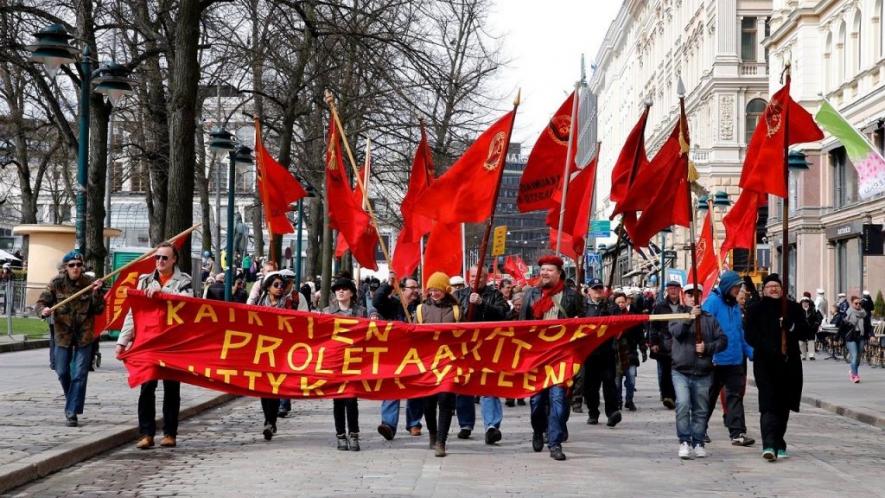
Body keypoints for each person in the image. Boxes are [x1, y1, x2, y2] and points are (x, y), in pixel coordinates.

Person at [116, 243, 193, 448]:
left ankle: (170, 433)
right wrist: (122, 341)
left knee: (171, 389)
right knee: (147, 386)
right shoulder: (144, 281)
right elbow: (134, 313)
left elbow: (187, 304)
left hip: (171, 344)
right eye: (157, 258)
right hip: (148, 342)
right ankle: (147, 433)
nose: (160, 261)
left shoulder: (184, 281)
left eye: (164, 258)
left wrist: (163, 292)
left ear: (174, 260)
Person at [522, 255, 584, 461]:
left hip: (562, 357)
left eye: (549, 270)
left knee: (558, 400)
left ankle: (555, 443)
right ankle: (538, 430)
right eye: (542, 270)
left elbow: (585, 324)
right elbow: (520, 327)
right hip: (537, 358)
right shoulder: (531, 295)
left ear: (559, 273)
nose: (544, 273)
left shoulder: (572, 296)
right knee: (537, 402)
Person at [744, 274, 809, 462]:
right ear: (764, 290)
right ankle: (768, 445)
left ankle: (779, 441)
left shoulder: (793, 308)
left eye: (776, 286)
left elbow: (806, 332)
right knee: (768, 404)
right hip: (765, 364)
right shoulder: (755, 309)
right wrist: (767, 347)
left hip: (789, 364)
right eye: (769, 286)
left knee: (784, 405)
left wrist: (791, 327)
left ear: (782, 289)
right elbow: (750, 335)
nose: (773, 289)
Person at [35, 251, 104, 427]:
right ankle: (71, 400)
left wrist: (97, 293)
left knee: (79, 374)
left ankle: (72, 412)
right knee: (62, 371)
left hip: (84, 335)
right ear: (66, 267)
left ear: (82, 267)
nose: (75, 268)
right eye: (72, 265)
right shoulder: (56, 283)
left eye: (78, 265)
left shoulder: (89, 284)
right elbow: (41, 302)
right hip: (62, 334)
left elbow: (99, 310)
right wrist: (43, 311)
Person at [668, 284, 727, 459]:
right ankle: (684, 441)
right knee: (683, 404)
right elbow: (676, 332)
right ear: (683, 297)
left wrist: (707, 347)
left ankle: (699, 441)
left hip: (703, 371)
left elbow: (723, 340)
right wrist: (689, 319)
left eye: (696, 295)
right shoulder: (677, 315)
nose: (693, 298)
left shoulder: (709, 318)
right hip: (681, 370)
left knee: (701, 409)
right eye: (689, 295)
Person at [455, 265, 509, 444]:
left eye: (479, 276)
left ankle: (492, 426)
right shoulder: (459, 295)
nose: (475, 279)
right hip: (465, 347)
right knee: (464, 386)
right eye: (471, 276)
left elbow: (503, 314)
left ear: (486, 278)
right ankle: (465, 424)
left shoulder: (495, 295)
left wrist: (482, 304)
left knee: (488, 385)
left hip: (488, 347)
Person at [702, 271, 755, 447]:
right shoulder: (712, 303)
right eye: (735, 287)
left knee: (735, 396)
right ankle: (699, 429)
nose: (738, 290)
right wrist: (709, 352)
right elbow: (704, 329)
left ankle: (738, 433)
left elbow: (739, 333)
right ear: (726, 286)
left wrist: (750, 352)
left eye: (739, 287)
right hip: (716, 360)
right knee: (709, 397)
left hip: (734, 360)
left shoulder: (734, 305)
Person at [414, 272, 461, 457]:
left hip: (449, 362)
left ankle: (441, 441)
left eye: (438, 289)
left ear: (446, 290)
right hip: (428, 363)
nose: (434, 293)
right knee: (428, 403)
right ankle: (433, 433)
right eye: (432, 289)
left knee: (445, 400)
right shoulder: (420, 310)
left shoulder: (456, 310)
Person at [252, 270, 299, 440]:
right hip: (262, 350)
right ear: (268, 287)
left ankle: (271, 422)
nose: (280, 288)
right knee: (264, 387)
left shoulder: (289, 303)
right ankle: (268, 420)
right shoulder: (258, 303)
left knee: (275, 386)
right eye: (276, 285)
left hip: (281, 351)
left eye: (282, 285)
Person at [374, 274, 422, 440]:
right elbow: (377, 301)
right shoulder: (392, 305)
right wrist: (388, 284)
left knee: (416, 389)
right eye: (412, 288)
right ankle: (388, 424)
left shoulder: (422, 307)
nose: (416, 291)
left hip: (416, 354)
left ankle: (414, 423)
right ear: (401, 290)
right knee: (392, 387)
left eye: (417, 288)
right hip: (394, 353)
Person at [323, 277, 366, 451]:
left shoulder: (361, 312)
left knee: (351, 399)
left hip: (355, 362)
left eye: (344, 289)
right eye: (337, 289)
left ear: (352, 293)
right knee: (338, 401)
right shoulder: (327, 312)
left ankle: (354, 434)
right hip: (335, 362)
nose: (340, 291)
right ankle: (340, 435)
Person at [612, 292, 647, 412]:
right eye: (618, 302)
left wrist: (643, 349)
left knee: (631, 379)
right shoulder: (610, 317)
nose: (621, 304)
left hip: (630, 352)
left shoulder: (632, 316)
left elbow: (639, 334)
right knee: (617, 381)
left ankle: (629, 400)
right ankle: (618, 401)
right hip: (615, 353)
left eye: (622, 302)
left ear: (627, 302)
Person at [650, 281, 681, 409]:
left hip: (680, 344)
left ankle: (677, 395)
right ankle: (667, 396)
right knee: (666, 371)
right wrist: (654, 342)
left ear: (679, 290)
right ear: (667, 290)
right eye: (670, 288)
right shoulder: (660, 306)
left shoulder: (683, 305)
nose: (673, 291)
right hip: (664, 343)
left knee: (678, 371)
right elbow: (653, 325)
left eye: (675, 288)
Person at [843, 296, 869, 383]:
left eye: (859, 303)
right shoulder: (848, 313)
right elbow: (842, 326)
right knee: (854, 355)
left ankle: (852, 371)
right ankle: (855, 376)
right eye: (856, 303)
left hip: (861, 336)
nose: (858, 305)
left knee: (858, 357)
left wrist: (871, 335)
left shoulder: (864, 313)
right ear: (852, 303)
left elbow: (868, 325)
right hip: (851, 337)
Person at [799, 296, 822, 360]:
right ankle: (803, 355)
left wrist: (816, 324)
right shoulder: (798, 310)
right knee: (801, 342)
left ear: (808, 303)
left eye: (806, 302)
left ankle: (811, 355)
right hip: (802, 329)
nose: (805, 304)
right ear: (801, 303)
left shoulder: (813, 309)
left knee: (811, 341)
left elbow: (819, 317)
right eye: (803, 302)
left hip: (811, 328)